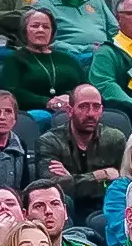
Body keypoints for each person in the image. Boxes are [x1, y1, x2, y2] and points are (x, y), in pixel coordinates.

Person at [37, 84, 126, 222]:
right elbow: (53, 188)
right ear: (69, 110)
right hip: (66, 213)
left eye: (96, 107)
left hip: (106, 209)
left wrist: (71, 179)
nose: (90, 113)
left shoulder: (115, 139)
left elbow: (123, 183)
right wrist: (101, 175)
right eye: (84, 106)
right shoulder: (50, 141)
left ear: (102, 110)